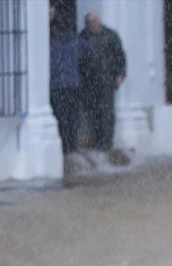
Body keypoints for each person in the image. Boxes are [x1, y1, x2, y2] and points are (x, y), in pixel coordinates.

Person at [80, 12, 128, 163]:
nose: (94, 24)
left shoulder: (111, 36)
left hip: (107, 81)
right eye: (91, 22)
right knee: (93, 112)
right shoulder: (83, 37)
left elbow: (120, 55)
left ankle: (107, 143)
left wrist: (120, 74)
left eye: (96, 21)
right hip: (90, 83)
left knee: (106, 112)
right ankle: (98, 141)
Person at [48, 8, 89, 171]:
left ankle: (65, 147)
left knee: (61, 117)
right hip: (72, 84)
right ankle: (70, 147)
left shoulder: (51, 43)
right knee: (72, 118)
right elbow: (88, 53)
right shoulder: (75, 40)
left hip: (57, 86)